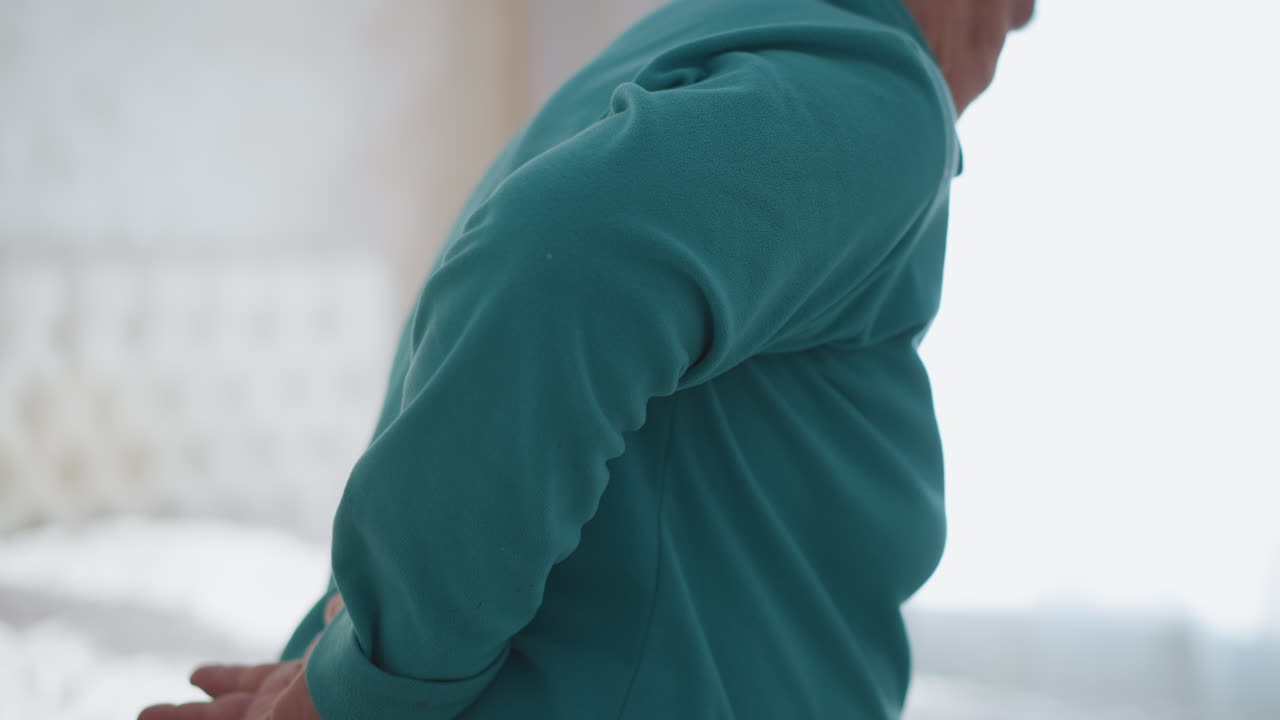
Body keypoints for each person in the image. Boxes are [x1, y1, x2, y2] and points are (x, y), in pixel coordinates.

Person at [139, 0, 1034, 718]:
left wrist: (359, 673)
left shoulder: (715, 40)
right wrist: (372, 684)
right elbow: (558, 259)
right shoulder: (879, 93)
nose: (1025, 18)